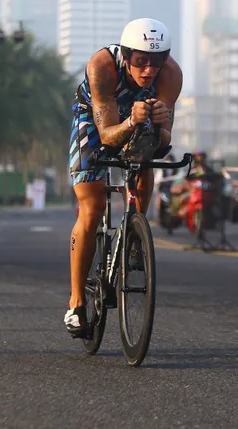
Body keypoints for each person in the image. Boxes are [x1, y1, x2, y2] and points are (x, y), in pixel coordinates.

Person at [64, 18, 183, 338]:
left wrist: (159, 128)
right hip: (95, 116)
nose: (148, 71)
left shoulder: (171, 75)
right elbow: (106, 135)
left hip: (138, 117)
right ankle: (76, 302)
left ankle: (134, 232)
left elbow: (164, 140)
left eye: (155, 63)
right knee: (91, 207)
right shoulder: (102, 66)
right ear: (126, 57)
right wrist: (132, 121)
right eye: (141, 62)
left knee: (146, 160)